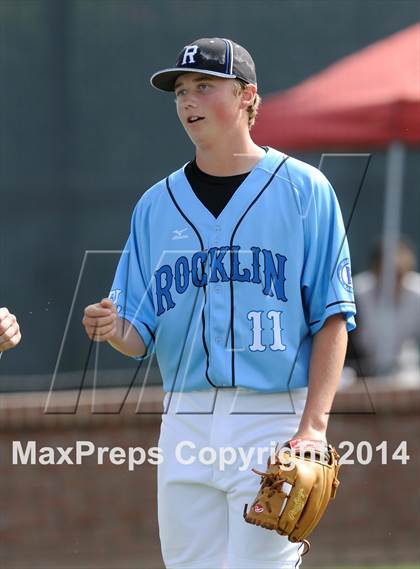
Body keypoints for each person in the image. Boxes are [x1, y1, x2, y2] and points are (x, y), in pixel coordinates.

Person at [82, 38, 356, 569]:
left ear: (246, 95)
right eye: (181, 90)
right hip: (184, 416)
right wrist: (113, 327)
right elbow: (139, 335)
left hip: (272, 413)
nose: (188, 100)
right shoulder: (155, 205)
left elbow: (333, 316)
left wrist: (314, 427)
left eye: (204, 86)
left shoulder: (305, 190)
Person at [350, 238, 419, 378]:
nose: (392, 283)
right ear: (375, 271)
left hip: (408, 374)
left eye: (398, 275)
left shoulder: (417, 293)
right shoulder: (356, 294)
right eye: (387, 275)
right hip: (363, 374)